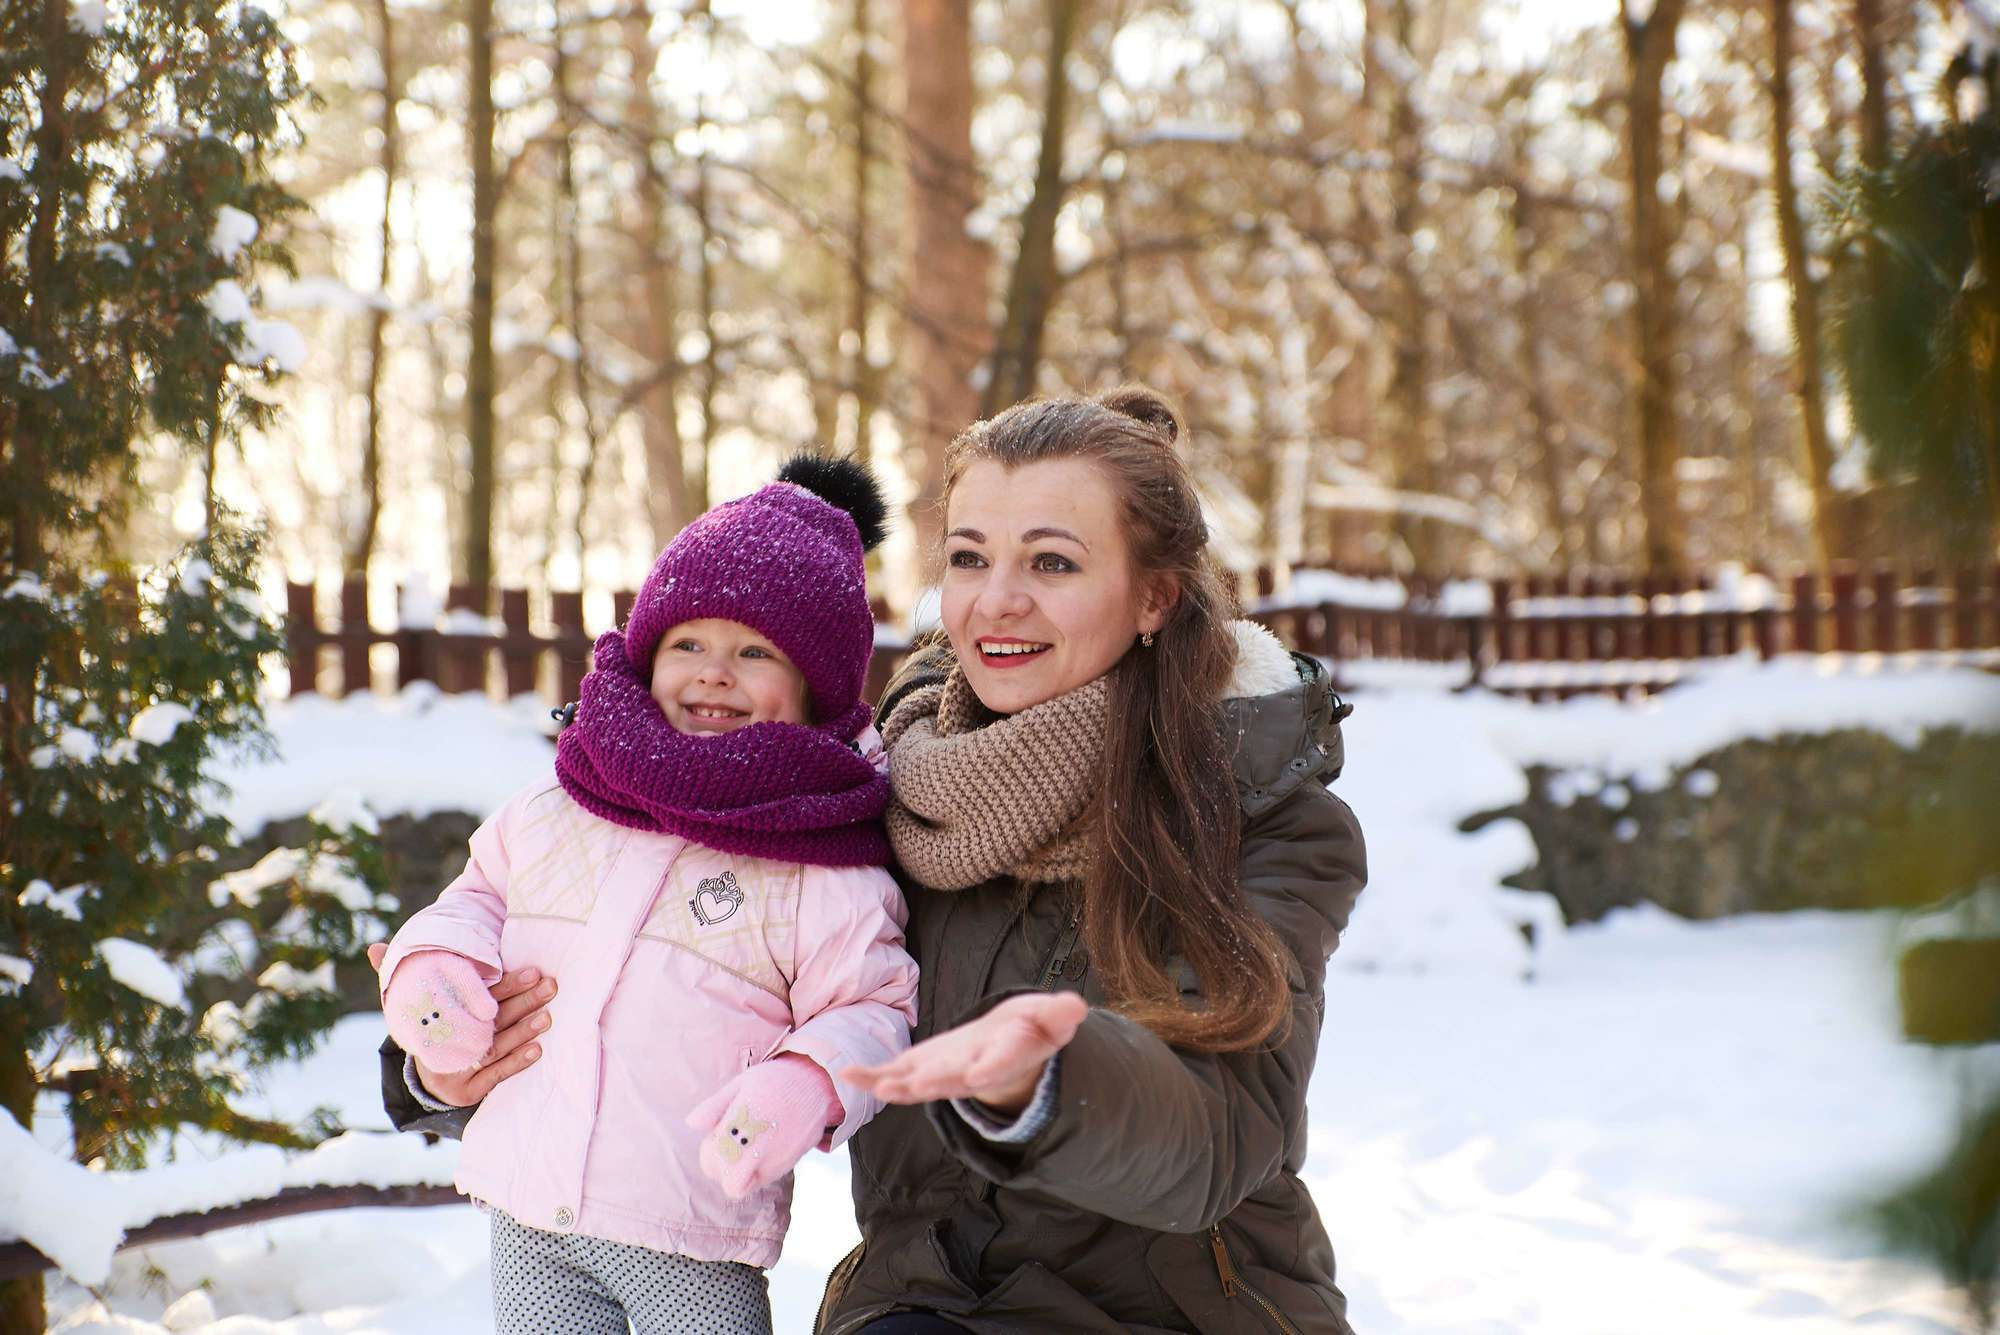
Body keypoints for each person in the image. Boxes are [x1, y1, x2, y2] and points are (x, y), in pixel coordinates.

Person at [382, 387, 1367, 1334]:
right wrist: (444, 1058)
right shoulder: (855, 785)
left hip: (1177, 1309)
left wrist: (1049, 1081)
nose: (999, 603)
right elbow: (655, 948)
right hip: (925, 1295)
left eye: (1054, 564)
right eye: (970, 558)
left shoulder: (1256, 812)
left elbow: (1225, 1137)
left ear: (1152, 596)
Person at [372, 457, 919, 1335]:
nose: (713, 672)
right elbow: (474, 899)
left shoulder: (822, 860)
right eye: (688, 643)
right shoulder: (563, 801)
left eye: (754, 652)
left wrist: (804, 1082)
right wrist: (434, 972)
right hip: (530, 1210)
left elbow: (873, 1005)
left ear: (816, 686)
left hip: (690, 1227)